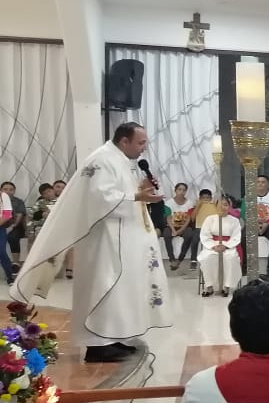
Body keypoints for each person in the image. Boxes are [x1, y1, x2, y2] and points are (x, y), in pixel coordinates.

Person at [12, 123, 170, 363]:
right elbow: (99, 197)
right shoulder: (101, 160)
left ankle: (113, 337)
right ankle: (97, 346)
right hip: (104, 242)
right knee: (104, 287)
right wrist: (138, 196)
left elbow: (121, 194)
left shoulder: (119, 160)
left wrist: (141, 189)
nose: (144, 148)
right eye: (140, 143)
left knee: (119, 290)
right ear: (124, 141)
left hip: (120, 240)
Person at [198, 195, 243, 297]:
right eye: (220, 205)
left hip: (228, 246)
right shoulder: (209, 219)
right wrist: (213, 246)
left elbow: (236, 237)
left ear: (229, 206)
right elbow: (205, 235)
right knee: (208, 257)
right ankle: (209, 287)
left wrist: (225, 246)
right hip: (212, 245)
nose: (223, 207)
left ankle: (226, 287)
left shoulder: (234, 221)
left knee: (230, 258)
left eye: (225, 205)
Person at [163, 182, 198, 271]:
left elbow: (189, 219)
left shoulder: (189, 203)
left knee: (189, 234)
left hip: (184, 226)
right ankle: (171, 259)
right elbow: (168, 218)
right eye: (179, 189)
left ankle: (180, 259)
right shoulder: (168, 203)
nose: (181, 192)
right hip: (172, 226)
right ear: (175, 190)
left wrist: (181, 230)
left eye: (184, 190)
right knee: (166, 234)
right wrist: (173, 230)